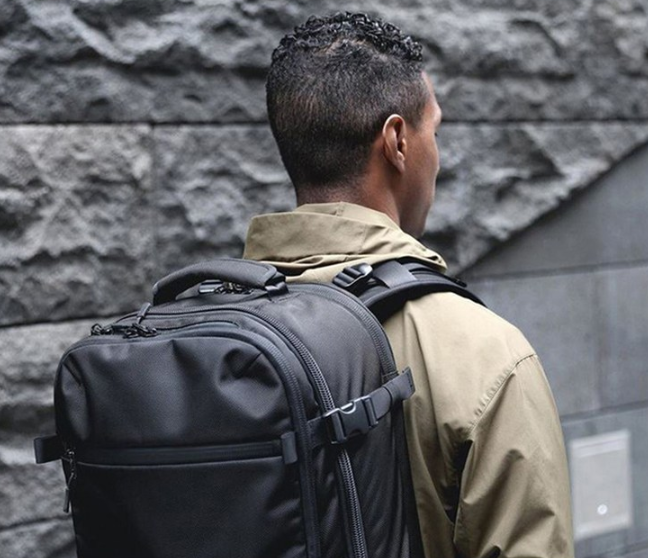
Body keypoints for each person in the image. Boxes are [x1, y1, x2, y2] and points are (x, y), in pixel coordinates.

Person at [243, 11, 574, 558]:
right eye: (434, 132)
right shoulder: (481, 352)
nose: (436, 157)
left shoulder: (203, 329)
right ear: (397, 141)